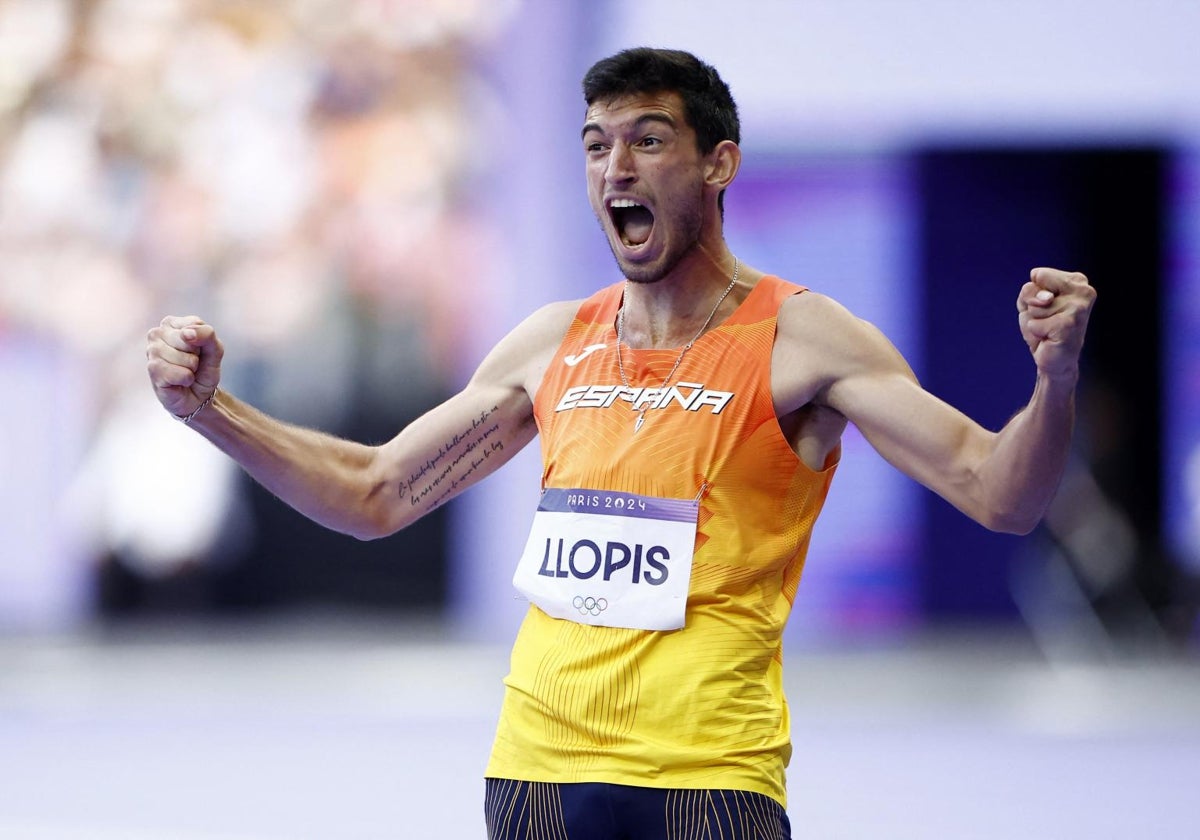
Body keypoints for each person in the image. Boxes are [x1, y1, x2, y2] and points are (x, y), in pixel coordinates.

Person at [146, 47, 1096, 840]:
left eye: (648, 141)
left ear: (719, 163)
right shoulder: (554, 342)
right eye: (597, 146)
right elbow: (373, 492)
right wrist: (210, 411)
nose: (616, 170)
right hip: (538, 780)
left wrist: (1053, 382)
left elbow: (997, 494)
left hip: (707, 782)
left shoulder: (804, 340)